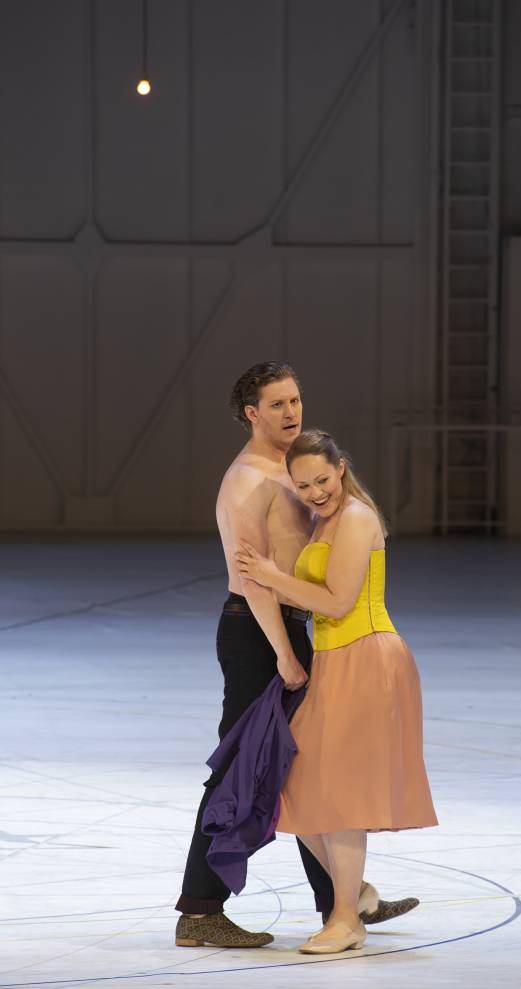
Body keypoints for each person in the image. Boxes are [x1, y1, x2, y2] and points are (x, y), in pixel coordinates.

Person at [175, 363, 419, 950]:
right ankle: (200, 908)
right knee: (241, 766)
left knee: (300, 762)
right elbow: (253, 580)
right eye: (278, 404)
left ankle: (344, 900)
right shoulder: (247, 481)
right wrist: (285, 654)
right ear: (251, 414)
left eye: (296, 400)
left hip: (290, 628)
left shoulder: (292, 471)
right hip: (259, 634)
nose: (292, 412)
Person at [236, 428, 438, 954]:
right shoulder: (327, 520)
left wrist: (269, 575)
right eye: (303, 486)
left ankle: (346, 919)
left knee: (342, 794)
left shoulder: (355, 519)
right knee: (296, 787)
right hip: (336, 661)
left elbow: (337, 602)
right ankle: (359, 895)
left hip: (367, 658)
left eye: (322, 480)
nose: (315, 492)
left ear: (341, 468)